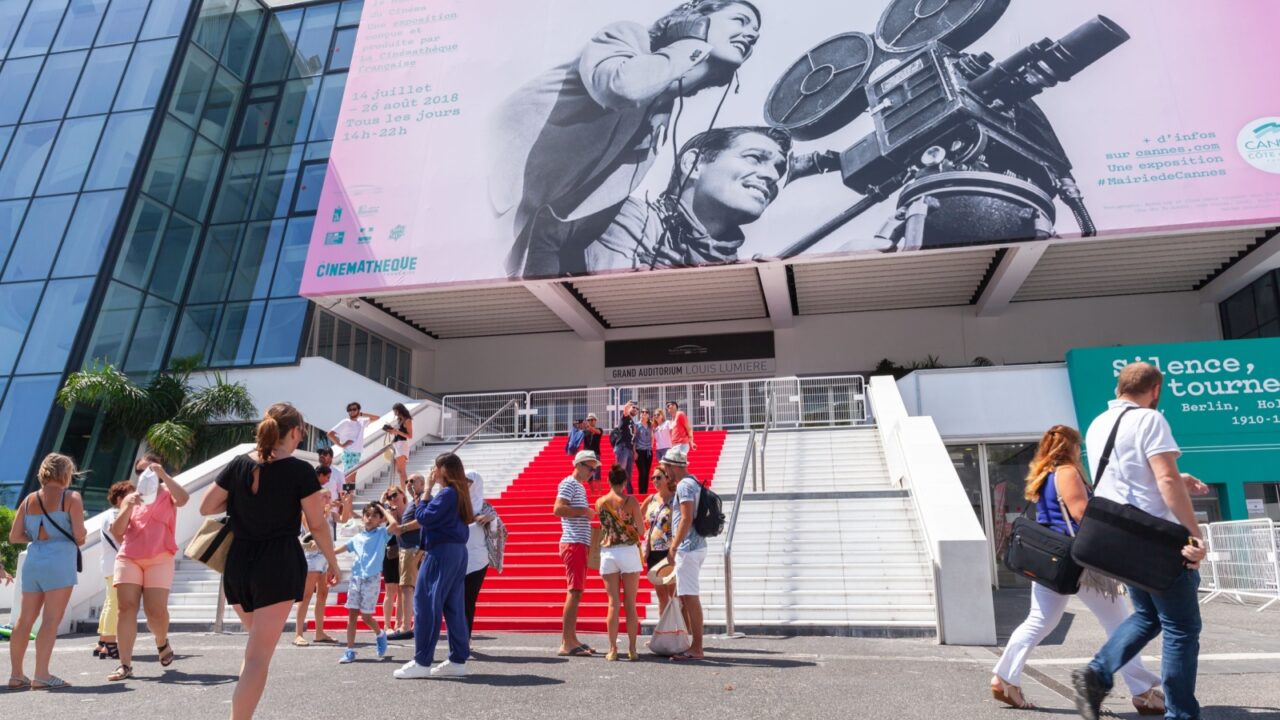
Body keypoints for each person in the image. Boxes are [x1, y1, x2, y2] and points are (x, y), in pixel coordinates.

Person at [491, 0, 764, 278]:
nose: (751, 35)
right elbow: (622, 88)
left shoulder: (660, 117)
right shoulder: (628, 38)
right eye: (740, 21)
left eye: (756, 33)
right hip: (488, 192)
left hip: (525, 238)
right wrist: (690, 41)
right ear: (695, 18)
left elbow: (581, 212)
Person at [991, 426, 1164, 714]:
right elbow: (1082, 514)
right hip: (1080, 564)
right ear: (1069, 447)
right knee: (1121, 626)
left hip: (1050, 562)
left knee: (1040, 620)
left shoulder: (1043, 477)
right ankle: (1143, 692)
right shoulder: (1067, 472)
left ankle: (1005, 678)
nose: (1079, 451)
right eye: (1077, 446)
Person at [1072, 363, 1209, 720]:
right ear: (1156, 390)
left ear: (1119, 388)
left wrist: (1180, 476)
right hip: (1158, 541)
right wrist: (1194, 532)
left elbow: (1128, 476)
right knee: (1182, 628)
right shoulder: (1151, 419)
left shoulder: (1099, 424)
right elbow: (1164, 480)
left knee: (1148, 616)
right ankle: (1180, 713)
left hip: (1122, 540)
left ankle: (1096, 673)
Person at [201, 403, 340, 720]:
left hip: (238, 564)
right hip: (276, 565)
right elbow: (317, 524)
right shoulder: (299, 470)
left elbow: (207, 506)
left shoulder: (239, 464)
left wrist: (243, 497)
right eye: (301, 433)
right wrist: (333, 562)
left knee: (254, 651)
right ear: (294, 432)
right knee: (258, 658)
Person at [583, 126, 791, 272]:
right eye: (754, 158)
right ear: (693, 164)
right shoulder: (630, 216)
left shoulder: (740, 268)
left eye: (778, 169)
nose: (773, 176)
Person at [106, 454, 189, 682]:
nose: (145, 475)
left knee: (155, 611)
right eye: (140, 471)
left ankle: (161, 641)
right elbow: (117, 531)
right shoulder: (131, 497)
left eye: (150, 470)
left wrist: (163, 475)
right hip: (129, 557)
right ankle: (125, 665)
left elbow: (183, 499)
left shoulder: (167, 493)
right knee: (126, 608)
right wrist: (127, 507)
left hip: (160, 558)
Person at [7, 453, 86, 690]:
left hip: (34, 560)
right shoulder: (71, 497)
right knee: (51, 620)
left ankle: (16, 675)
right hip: (59, 561)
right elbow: (80, 535)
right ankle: (41, 674)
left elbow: (14, 537)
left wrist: (37, 536)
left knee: (24, 619)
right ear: (65, 473)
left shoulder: (29, 499)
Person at [394, 453, 475, 679]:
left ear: (443, 470)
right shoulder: (459, 493)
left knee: (426, 603)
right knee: (453, 606)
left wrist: (427, 490)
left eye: (435, 467)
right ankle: (458, 659)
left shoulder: (447, 493)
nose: (433, 471)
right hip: (457, 551)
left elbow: (424, 517)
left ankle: (422, 661)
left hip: (441, 551)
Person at [334, 501, 398, 664]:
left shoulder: (382, 533)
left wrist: (383, 509)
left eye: (375, 516)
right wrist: (324, 551)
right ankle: (349, 650)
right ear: (362, 517)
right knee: (352, 616)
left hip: (372, 579)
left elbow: (395, 524)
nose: (370, 518)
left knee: (367, 617)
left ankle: (380, 634)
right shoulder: (357, 537)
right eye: (367, 515)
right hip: (356, 579)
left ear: (380, 520)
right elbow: (341, 549)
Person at [294, 468, 350, 647]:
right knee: (306, 594)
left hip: (326, 555)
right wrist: (325, 513)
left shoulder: (330, 513)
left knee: (323, 594)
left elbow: (344, 518)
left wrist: (347, 502)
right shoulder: (308, 513)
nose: (328, 499)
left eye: (328, 497)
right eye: (324, 497)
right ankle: (298, 633)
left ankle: (319, 632)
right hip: (311, 555)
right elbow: (312, 532)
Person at [553, 450, 599, 657]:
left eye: (594, 469)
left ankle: (571, 639)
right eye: (590, 468)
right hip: (574, 543)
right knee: (574, 591)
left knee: (576, 591)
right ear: (579, 465)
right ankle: (566, 642)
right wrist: (584, 511)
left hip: (578, 542)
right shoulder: (569, 483)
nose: (592, 472)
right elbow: (558, 509)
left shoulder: (577, 485)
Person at [596, 464, 644, 661]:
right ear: (625, 481)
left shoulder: (600, 502)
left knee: (613, 604)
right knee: (630, 603)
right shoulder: (631, 501)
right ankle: (632, 649)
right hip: (628, 550)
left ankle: (612, 649)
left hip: (608, 552)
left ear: (608, 481)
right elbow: (641, 530)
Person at [663, 447, 706, 661]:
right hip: (695, 545)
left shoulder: (684, 485)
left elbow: (686, 518)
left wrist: (673, 546)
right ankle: (693, 644)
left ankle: (696, 647)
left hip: (688, 547)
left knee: (690, 597)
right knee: (688, 596)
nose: (665, 472)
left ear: (673, 466)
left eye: (666, 467)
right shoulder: (693, 481)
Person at [94, 480, 133, 662]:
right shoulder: (116, 514)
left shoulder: (109, 513)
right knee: (114, 603)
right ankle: (110, 643)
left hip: (110, 564)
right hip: (116, 564)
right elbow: (120, 535)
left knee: (110, 602)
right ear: (119, 498)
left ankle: (103, 641)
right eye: (129, 495)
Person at [463, 471, 499, 639]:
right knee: (454, 600)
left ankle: (465, 637)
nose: (466, 484)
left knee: (468, 600)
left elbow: (498, 531)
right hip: (457, 558)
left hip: (478, 560)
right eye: (463, 480)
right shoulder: (456, 504)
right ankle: (457, 636)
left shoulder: (485, 506)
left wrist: (490, 518)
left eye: (469, 481)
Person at [389, 478, 424, 640]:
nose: (409, 483)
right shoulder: (414, 501)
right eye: (408, 481)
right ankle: (412, 624)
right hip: (407, 549)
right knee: (408, 588)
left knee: (407, 588)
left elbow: (424, 519)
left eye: (413, 481)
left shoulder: (423, 498)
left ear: (422, 484)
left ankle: (406, 626)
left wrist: (402, 528)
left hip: (412, 548)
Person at [641, 466, 677, 617]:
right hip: (653, 552)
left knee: (673, 594)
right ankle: (663, 632)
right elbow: (637, 516)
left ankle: (679, 631)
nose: (655, 480)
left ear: (667, 478)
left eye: (658, 477)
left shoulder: (675, 499)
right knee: (661, 596)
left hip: (668, 551)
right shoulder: (651, 499)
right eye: (653, 478)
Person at [328, 402, 380, 485]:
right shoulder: (346, 422)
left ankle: (348, 497)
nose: (351, 411)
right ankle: (344, 496)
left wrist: (362, 414)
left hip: (357, 453)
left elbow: (377, 418)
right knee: (349, 479)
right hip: (349, 452)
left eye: (354, 409)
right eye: (349, 410)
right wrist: (341, 445)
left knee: (352, 479)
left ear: (358, 410)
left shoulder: (361, 421)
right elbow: (330, 434)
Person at [379, 485, 405, 634]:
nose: (393, 498)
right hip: (390, 551)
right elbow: (378, 526)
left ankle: (399, 623)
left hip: (405, 550)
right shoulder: (386, 512)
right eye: (390, 497)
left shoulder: (408, 509)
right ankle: (387, 625)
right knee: (390, 589)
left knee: (403, 590)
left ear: (402, 494)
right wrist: (383, 504)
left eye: (395, 495)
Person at [385, 403, 414, 486]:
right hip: (397, 444)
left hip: (402, 445)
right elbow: (398, 433)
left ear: (399, 410)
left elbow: (410, 435)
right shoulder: (399, 420)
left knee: (402, 470)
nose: (394, 413)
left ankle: (404, 490)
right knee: (398, 470)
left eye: (395, 411)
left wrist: (397, 431)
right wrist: (392, 431)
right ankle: (402, 489)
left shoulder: (407, 420)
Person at [612, 401, 637, 492]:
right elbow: (625, 411)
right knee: (620, 472)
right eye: (633, 407)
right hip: (622, 448)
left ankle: (629, 494)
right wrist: (627, 405)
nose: (635, 409)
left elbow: (633, 438)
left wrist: (634, 451)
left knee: (628, 475)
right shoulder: (625, 418)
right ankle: (616, 493)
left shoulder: (633, 422)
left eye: (636, 408)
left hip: (629, 450)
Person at [635, 409, 655, 496]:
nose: (644, 413)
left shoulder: (650, 425)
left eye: (646, 412)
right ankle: (641, 492)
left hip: (648, 452)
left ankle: (645, 492)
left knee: (646, 472)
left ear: (648, 415)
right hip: (639, 451)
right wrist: (634, 451)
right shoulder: (637, 425)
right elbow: (634, 439)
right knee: (642, 471)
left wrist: (651, 446)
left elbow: (652, 437)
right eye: (642, 412)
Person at [581, 414, 604, 489]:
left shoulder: (599, 429)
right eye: (588, 420)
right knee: (588, 475)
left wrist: (588, 426)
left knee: (597, 474)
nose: (590, 421)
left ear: (595, 420)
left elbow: (597, 431)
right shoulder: (584, 432)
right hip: (587, 454)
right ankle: (592, 492)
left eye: (592, 420)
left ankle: (599, 492)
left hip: (596, 454)